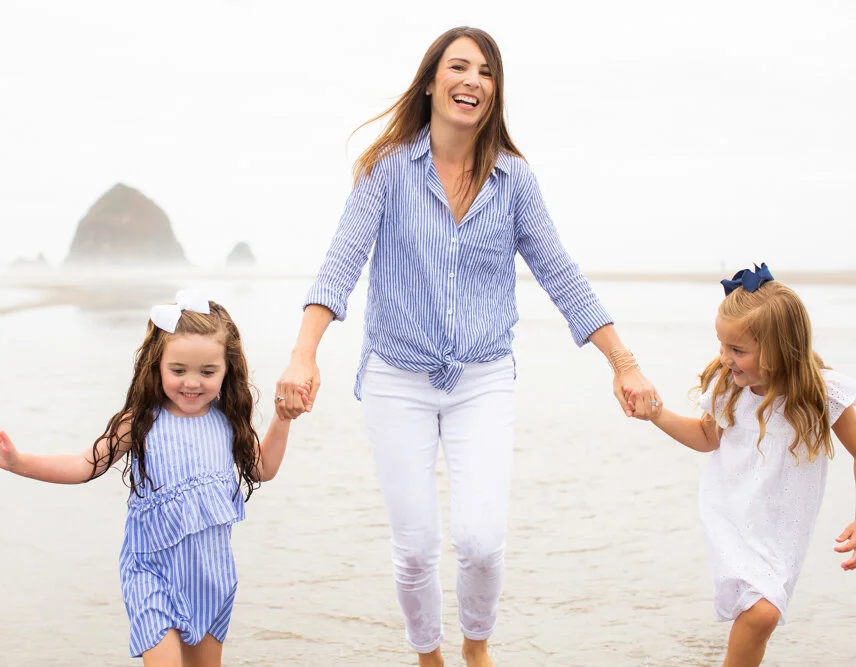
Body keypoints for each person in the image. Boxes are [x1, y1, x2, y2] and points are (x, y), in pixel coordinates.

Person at [274, 26, 658, 667]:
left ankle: (475, 647)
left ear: (494, 92)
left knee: (481, 540)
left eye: (486, 71)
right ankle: (429, 655)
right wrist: (304, 352)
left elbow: (560, 273)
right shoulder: (386, 170)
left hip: (483, 377)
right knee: (417, 548)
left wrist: (624, 363)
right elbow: (340, 265)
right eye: (459, 67)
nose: (472, 80)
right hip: (397, 377)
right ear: (431, 81)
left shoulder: (514, 181)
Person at [0, 290, 307, 667]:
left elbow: (262, 469)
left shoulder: (228, 420)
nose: (192, 383)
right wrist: (18, 461)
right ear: (157, 364)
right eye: (178, 370)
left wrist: (283, 419)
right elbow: (85, 465)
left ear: (227, 368)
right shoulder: (141, 421)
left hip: (211, 578)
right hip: (151, 573)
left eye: (207, 372)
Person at [627, 264, 856, 667]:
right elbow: (706, 437)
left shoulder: (822, 392)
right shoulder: (729, 387)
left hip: (783, 527)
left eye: (737, 350)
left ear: (781, 349)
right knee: (761, 612)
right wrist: (656, 414)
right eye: (721, 345)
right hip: (733, 513)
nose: (724, 359)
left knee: (761, 614)